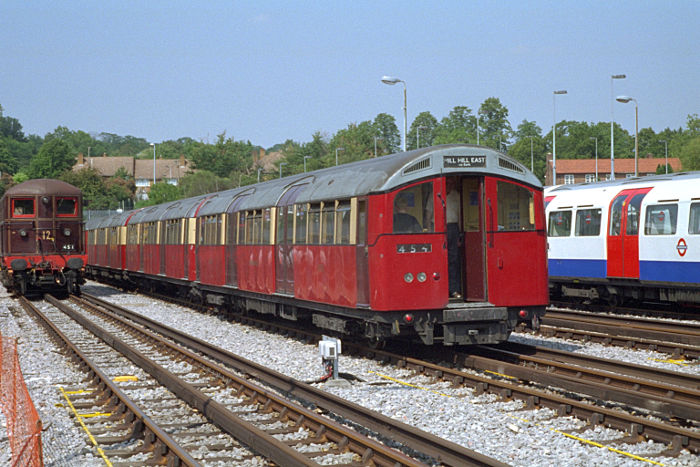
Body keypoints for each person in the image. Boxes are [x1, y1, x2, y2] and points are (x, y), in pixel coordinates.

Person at [446, 178, 461, 299]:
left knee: (453, 260)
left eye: (451, 183)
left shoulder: (456, 196)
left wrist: (460, 233)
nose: (449, 185)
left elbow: (460, 215)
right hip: (439, 229)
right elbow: (429, 214)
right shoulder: (434, 194)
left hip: (453, 227)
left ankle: (454, 289)